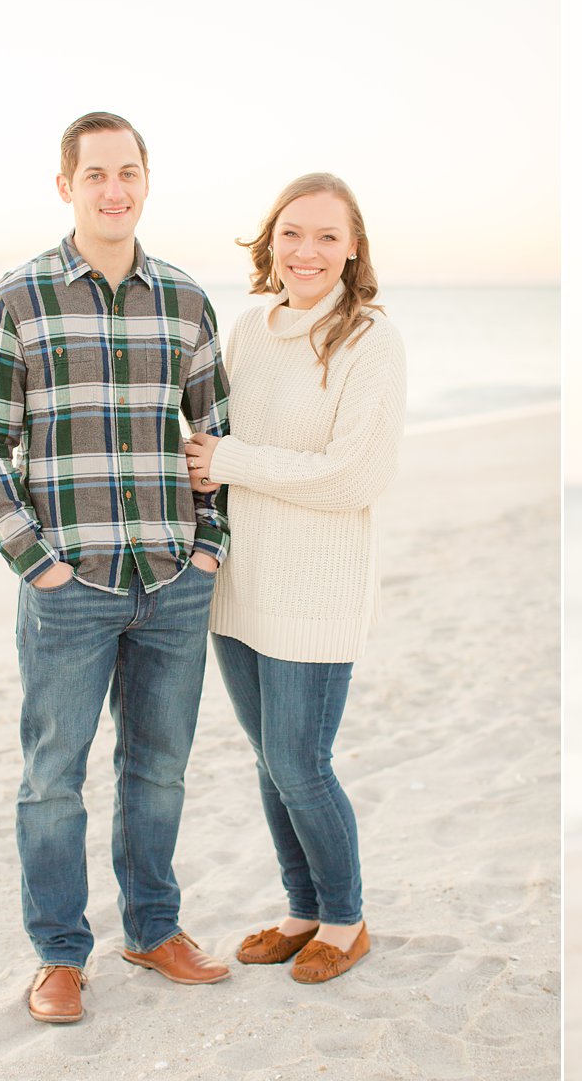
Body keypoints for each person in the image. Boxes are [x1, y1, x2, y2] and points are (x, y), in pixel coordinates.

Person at [0, 111, 233, 1025]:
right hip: (67, 586)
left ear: (147, 178)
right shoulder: (17, 299)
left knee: (159, 769)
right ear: (66, 185)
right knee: (53, 774)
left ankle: (154, 928)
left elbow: (216, 437)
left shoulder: (187, 300)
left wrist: (207, 546)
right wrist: (34, 562)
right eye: (95, 175)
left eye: (129, 172)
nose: (114, 189)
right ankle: (59, 954)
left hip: (171, 579)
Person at [182, 173, 405, 985]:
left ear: (353, 248)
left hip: (317, 590)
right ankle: (302, 909)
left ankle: (345, 918)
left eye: (325, 236)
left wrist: (231, 462)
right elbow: (214, 443)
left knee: (302, 760)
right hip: (241, 581)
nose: (306, 251)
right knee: (268, 759)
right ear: (269, 241)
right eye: (291, 233)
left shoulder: (370, 340)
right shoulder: (247, 329)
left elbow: (354, 476)